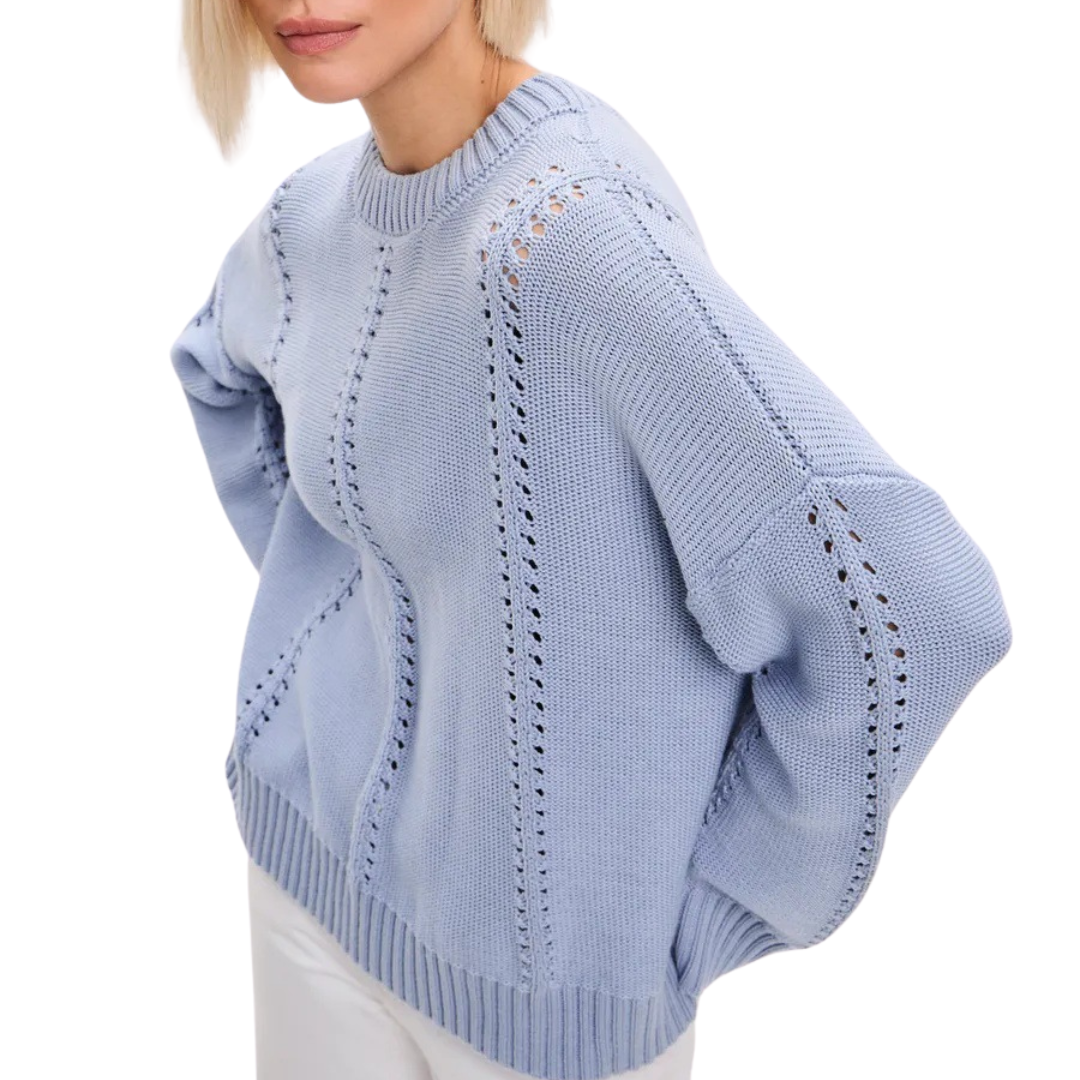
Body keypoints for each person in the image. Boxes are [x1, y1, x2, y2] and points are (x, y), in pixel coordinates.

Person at [171, 2, 1013, 1079]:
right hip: (301, 883)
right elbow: (218, 366)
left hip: (549, 1009)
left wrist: (713, 896)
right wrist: (359, 635)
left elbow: (909, 607)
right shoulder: (312, 220)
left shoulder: (563, 236)